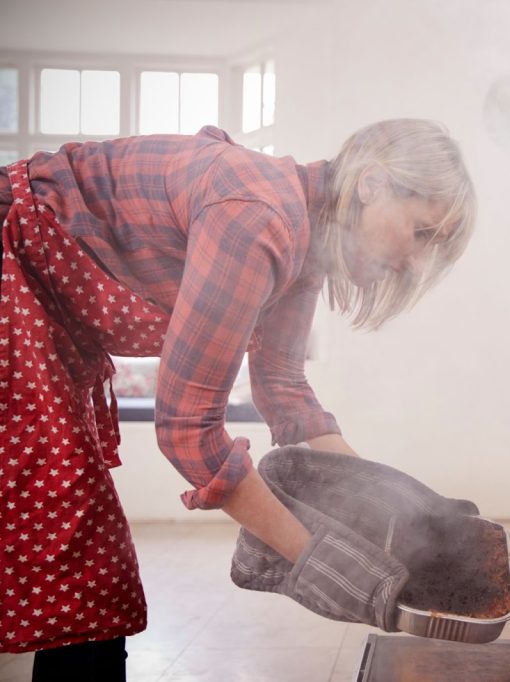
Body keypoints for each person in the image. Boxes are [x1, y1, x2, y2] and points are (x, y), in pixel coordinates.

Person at [0, 120, 476, 680]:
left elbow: (283, 386)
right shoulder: (258, 216)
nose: (419, 262)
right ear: (372, 184)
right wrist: (317, 559)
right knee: (75, 565)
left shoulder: (305, 238)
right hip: (13, 280)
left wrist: (389, 505)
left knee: (82, 578)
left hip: (41, 316)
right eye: (422, 233)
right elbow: (187, 428)